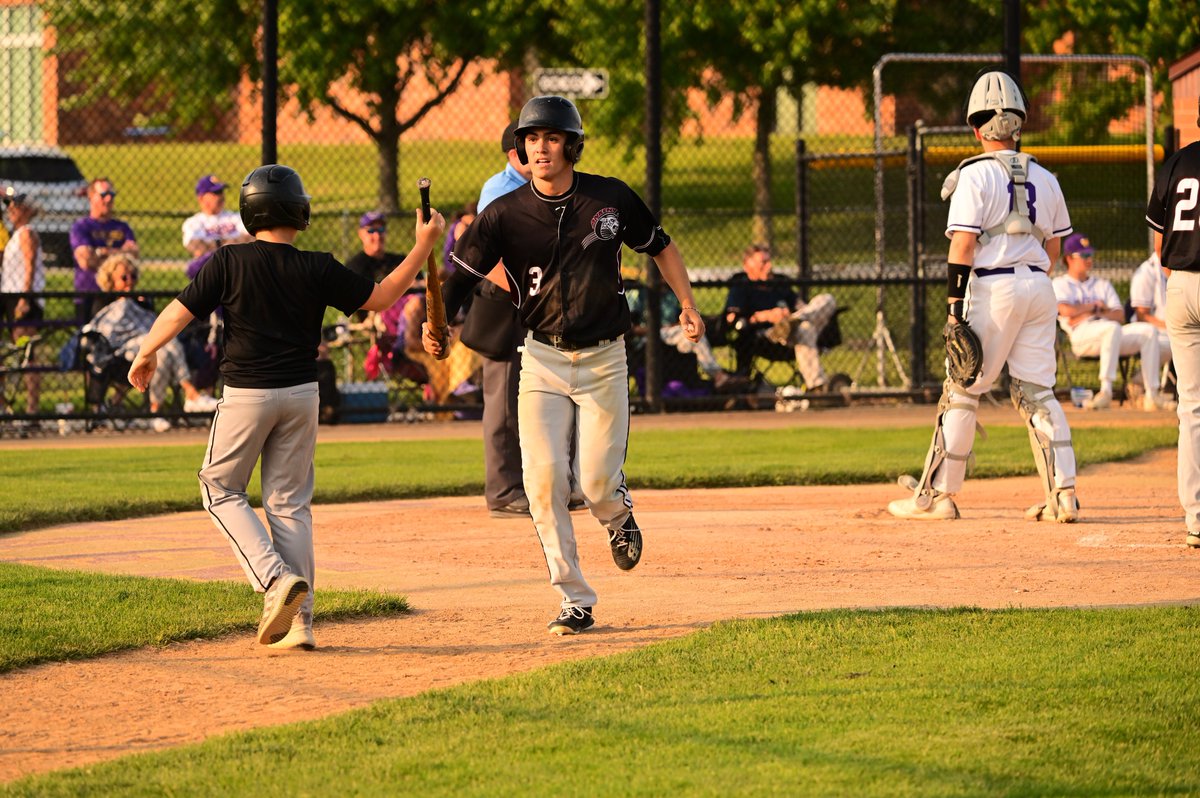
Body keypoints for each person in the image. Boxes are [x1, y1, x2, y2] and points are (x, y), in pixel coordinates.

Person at [128, 164, 445, 649]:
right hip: (302, 395)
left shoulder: (227, 261)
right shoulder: (317, 265)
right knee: (290, 506)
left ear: (248, 211)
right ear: (300, 211)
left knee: (218, 488)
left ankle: (276, 581)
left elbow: (178, 311)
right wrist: (423, 246)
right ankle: (301, 625)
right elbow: (381, 298)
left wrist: (147, 351)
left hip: (247, 395)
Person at [424, 95, 706, 635]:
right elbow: (456, 281)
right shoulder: (502, 214)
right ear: (521, 150)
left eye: (552, 138)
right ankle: (574, 596)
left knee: (596, 483)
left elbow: (662, 248)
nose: (541, 148)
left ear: (571, 145)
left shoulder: (610, 197)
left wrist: (688, 304)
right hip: (542, 358)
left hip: (603, 357)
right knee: (544, 481)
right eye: (532, 139)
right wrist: (434, 327)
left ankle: (618, 518)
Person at [887, 69, 1080, 523]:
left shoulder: (973, 175)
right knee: (1038, 393)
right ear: (1020, 124)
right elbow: (1054, 247)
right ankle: (1064, 495)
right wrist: (1031, 279)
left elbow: (963, 246)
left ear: (975, 128)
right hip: (1038, 286)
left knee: (962, 391)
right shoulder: (1047, 178)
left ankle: (937, 497)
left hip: (992, 287)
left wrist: (955, 309)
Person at [468, 120, 583, 519]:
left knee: (554, 392)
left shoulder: (555, 187)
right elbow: (488, 258)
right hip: (507, 304)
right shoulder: (499, 190)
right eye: (529, 145)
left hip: (543, 304)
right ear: (514, 154)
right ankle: (503, 491)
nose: (539, 152)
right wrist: (528, 295)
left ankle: (561, 484)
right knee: (502, 401)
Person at [1146, 94, 1200, 549]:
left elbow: (1160, 234)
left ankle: (1196, 518)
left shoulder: (1177, 162)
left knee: (1191, 407)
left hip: (1180, 285)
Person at [83, 254, 217, 431]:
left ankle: (156, 412)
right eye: (124, 278)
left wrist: (141, 305)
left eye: (133, 276)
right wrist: (126, 303)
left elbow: (152, 325)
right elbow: (106, 332)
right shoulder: (104, 301)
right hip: (120, 349)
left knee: (161, 350)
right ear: (111, 280)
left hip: (148, 347)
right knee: (158, 346)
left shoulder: (142, 301)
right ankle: (190, 394)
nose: (129, 281)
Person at [1052, 233, 1170, 411]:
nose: (1089, 259)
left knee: (1148, 331)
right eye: (1083, 255)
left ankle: (1151, 394)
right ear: (1068, 258)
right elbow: (1065, 312)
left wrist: (1085, 312)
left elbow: (1119, 315)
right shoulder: (1060, 284)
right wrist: (1094, 307)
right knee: (1111, 328)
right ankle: (1105, 392)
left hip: (1110, 332)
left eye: (1090, 254)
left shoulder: (1102, 284)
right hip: (1082, 336)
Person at [723, 244, 838, 392]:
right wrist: (767, 316)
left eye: (770, 261)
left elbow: (800, 304)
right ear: (747, 265)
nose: (769, 266)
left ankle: (794, 320)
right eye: (763, 263)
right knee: (806, 329)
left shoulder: (779, 283)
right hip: (768, 335)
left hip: (793, 329)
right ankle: (816, 387)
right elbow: (732, 319)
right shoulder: (741, 287)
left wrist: (794, 315)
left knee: (827, 300)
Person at [70, 177, 139, 321]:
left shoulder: (122, 227)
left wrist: (100, 252)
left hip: (119, 295)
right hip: (89, 294)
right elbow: (86, 261)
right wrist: (120, 255)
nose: (108, 199)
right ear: (90, 197)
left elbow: (134, 255)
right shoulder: (81, 226)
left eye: (111, 195)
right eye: (103, 195)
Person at [1, 190, 45, 414]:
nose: (10, 210)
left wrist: (24, 299)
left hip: (22, 299)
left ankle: (32, 410)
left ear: (26, 210)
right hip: (11, 298)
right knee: (14, 354)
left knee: (29, 354)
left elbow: (29, 267)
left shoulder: (27, 233)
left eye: (15, 206)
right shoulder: (15, 235)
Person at [1129, 249, 1173, 387]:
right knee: (1177, 344)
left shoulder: (1181, 267)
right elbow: (1142, 316)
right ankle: (1139, 381)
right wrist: (1171, 326)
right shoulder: (1146, 272)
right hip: (1155, 331)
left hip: (1173, 329)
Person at [181, 174, 251, 259]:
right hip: (210, 267)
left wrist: (214, 245)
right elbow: (197, 249)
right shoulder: (193, 222)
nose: (221, 196)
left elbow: (251, 239)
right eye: (216, 193)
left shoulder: (236, 217)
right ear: (201, 198)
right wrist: (232, 243)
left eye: (221, 191)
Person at [442, 201, 477, 275]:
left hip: (455, 264)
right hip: (455, 266)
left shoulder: (461, 223)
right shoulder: (461, 225)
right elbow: (464, 244)